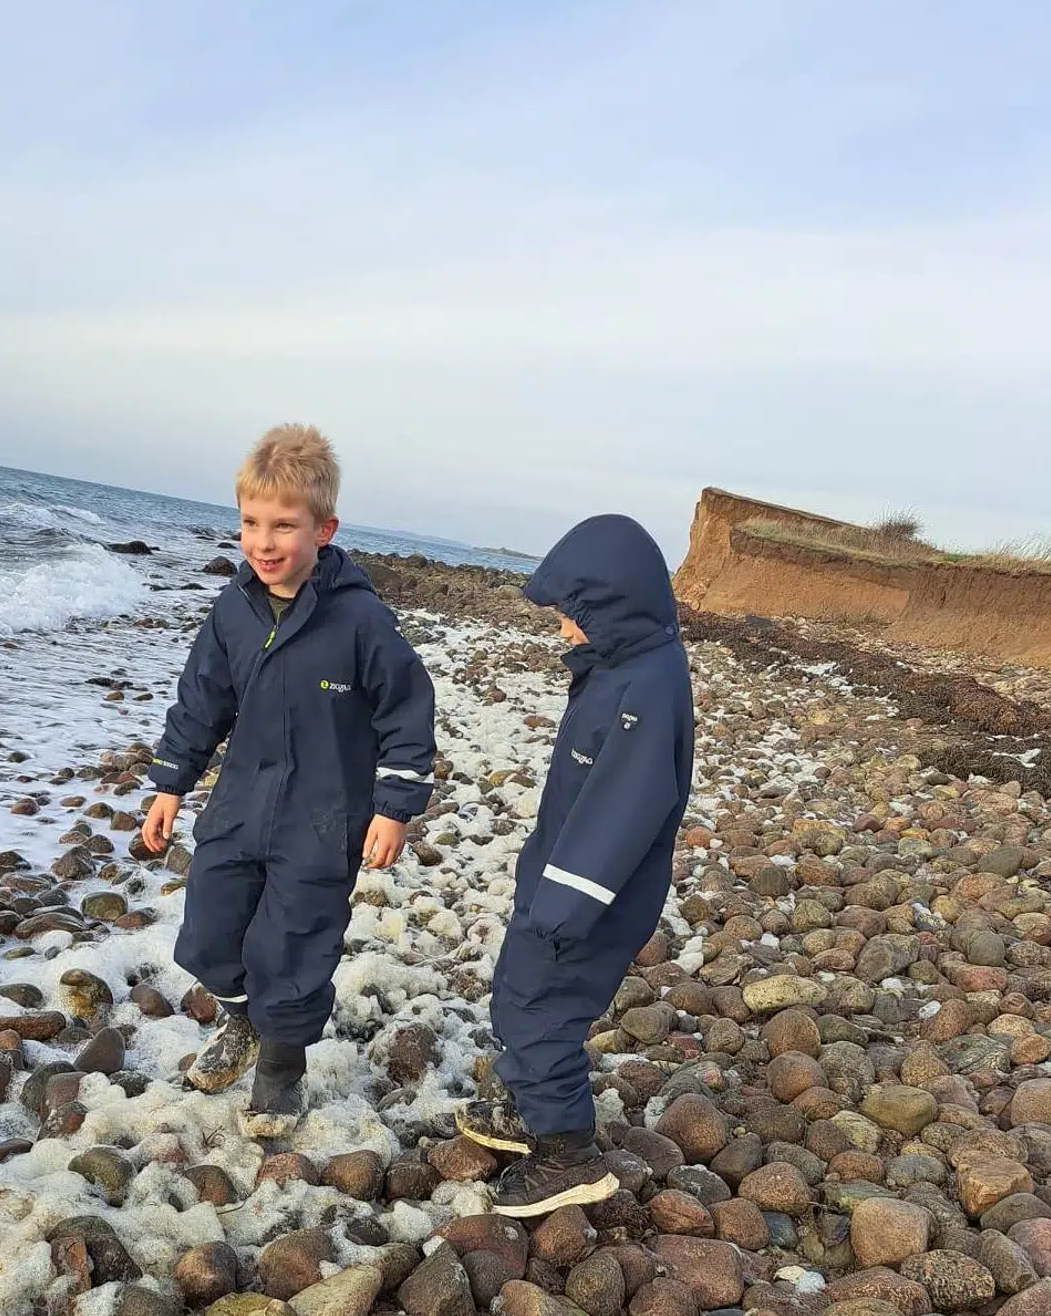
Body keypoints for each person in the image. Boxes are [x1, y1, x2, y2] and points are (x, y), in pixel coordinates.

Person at [141, 424, 436, 1138]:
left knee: (293, 948)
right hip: (239, 807)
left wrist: (395, 808)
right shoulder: (234, 610)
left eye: (284, 525)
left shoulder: (361, 618)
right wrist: (170, 784)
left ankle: (280, 1065)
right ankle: (245, 1015)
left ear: (324, 529)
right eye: (250, 522)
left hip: (322, 820)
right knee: (209, 934)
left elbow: (407, 710)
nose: (263, 542)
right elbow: (200, 700)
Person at [458, 514, 695, 1218]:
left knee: (541, 1005)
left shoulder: (647, 691)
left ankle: (566, 1152)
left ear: (615, 606)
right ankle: (531, 1106)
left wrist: (563, 906)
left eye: (572, 618)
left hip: (592, 895)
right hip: (563, 877)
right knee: (519, 987)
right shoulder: (618, 668)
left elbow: (625, 808)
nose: (564, 632)